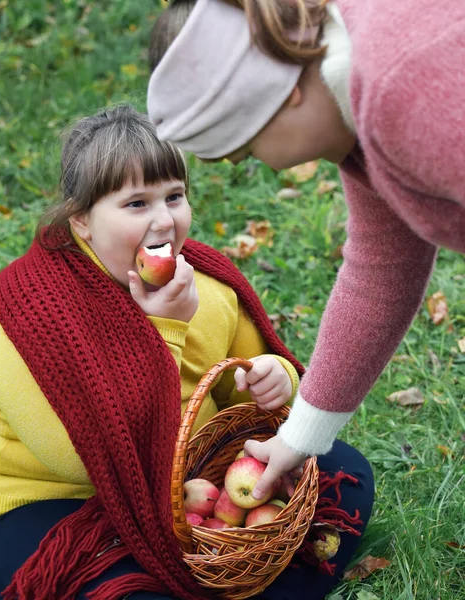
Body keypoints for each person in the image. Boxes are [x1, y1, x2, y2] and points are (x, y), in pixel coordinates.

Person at [0, 105, 373, 600]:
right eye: (136, 203)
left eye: (174, 196)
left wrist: (274, 377)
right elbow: (91, 461)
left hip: (189, 481)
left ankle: (232, 578)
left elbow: (255, 408)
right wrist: (163, 332)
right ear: (82, 221)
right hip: (60, 504)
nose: (164, 219)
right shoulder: (25, 319)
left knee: (346, 474)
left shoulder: (208, 288)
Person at [146, 0, 465, 500]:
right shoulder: (354, 113)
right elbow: (380, 272)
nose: (264, 166)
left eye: (248, 150)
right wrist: (299, 435)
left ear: (282, 93)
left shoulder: (401, 87)